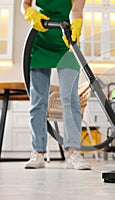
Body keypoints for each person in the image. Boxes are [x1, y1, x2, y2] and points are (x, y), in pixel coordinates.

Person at [21, 0, 91, 170]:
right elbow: (24, 4)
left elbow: (76, 10)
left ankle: (73, 152)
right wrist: (30, 13)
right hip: (41, 36)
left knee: (70, 98)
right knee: (38, 101)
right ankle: (37, 152)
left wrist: (76, 24)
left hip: (66, 39)